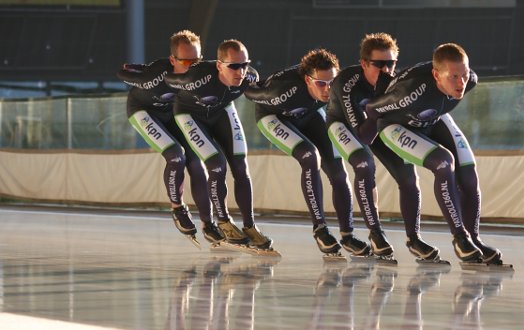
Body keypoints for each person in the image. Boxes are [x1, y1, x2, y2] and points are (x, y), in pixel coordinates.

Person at [366, 43, 503, 264]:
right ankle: (459, 237)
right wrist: (363, 142)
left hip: (432, 119)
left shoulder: (470, 81)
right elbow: (372, 109)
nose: (461, 84)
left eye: (464, 75)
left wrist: (459, 80)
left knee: (468, 173)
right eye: (454, 77)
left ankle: (474, 239)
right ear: (436, 76)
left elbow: (459, 83)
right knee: (443, 163)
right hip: (397, 125)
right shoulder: (410, 92)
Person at [244, 48, 370, 257]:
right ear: (307, 80)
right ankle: (320, 229)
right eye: (321, 83)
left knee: (338, 172)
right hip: (274, 117)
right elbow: (250, 94)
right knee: (310, 156)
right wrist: (250, 83)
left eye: (332, 82)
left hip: (309, 115)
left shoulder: (335, 87)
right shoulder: (282, 92)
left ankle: (348, 235)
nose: (327, 89)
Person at [327, 32, 438, 261]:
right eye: (379, 64)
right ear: (364, 64)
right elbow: (364, 136)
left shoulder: (395, 83)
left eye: (391, 63)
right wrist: (380, 99)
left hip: (377, 125)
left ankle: (414, 238)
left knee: (408, 176)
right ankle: (375, 233)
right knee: (364, 165)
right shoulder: (347, 85)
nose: (386, 70)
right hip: (345, 125)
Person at [164, 39, 273, 251]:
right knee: (217, 165)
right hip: (190, 115)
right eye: (233, 66)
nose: (240, 71)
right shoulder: (198, 77)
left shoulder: (250, 77)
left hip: (221, 111)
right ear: (219, 65)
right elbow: (169, 79)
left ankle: (250, 226)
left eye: (244, 64)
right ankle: (223, 221)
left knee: (241, 167)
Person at [117, 30, 222, 243]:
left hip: (172, 113)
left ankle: (208, 223)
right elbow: (122, 73)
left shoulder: (201, 71)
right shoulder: (156, 76)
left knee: (196, 162)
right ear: (173, 60)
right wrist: (137, 71)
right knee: (176, 156)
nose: (192, 66)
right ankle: (178, 208)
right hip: (143, 111)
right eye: (185, 61)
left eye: (197, 60)